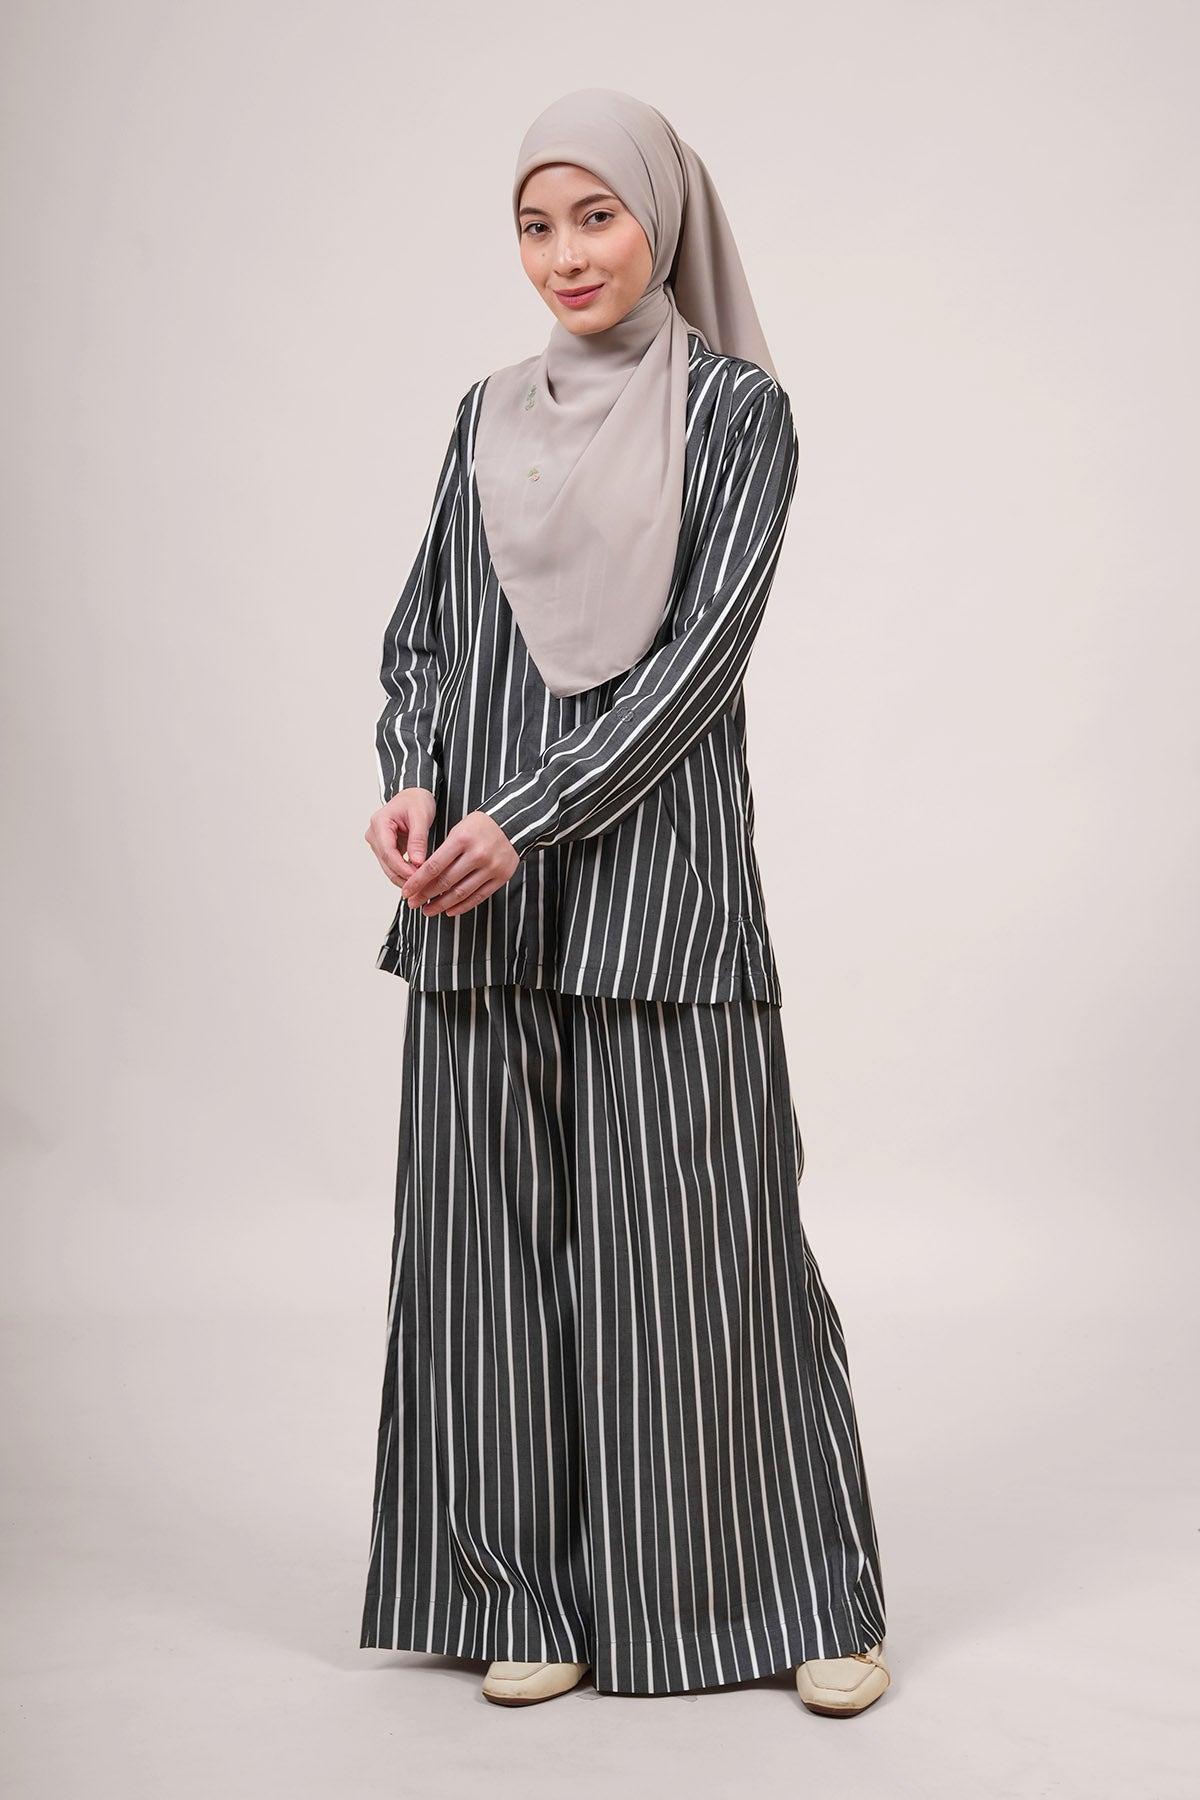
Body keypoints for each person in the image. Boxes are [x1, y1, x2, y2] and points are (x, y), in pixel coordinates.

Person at [358, 87, 891, 1717]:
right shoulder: (482, 414)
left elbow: (694, 671)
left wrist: (529, 814)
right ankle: (522, 1594)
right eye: (535, 224)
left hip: (656, 901)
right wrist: (411, 779)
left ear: (663, 218)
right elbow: (427, 636)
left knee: (708, 1259)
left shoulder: (738, 415)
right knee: (485, 1263)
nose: (565, 255)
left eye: (596, 216)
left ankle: (795, 1595)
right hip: (477, 895)